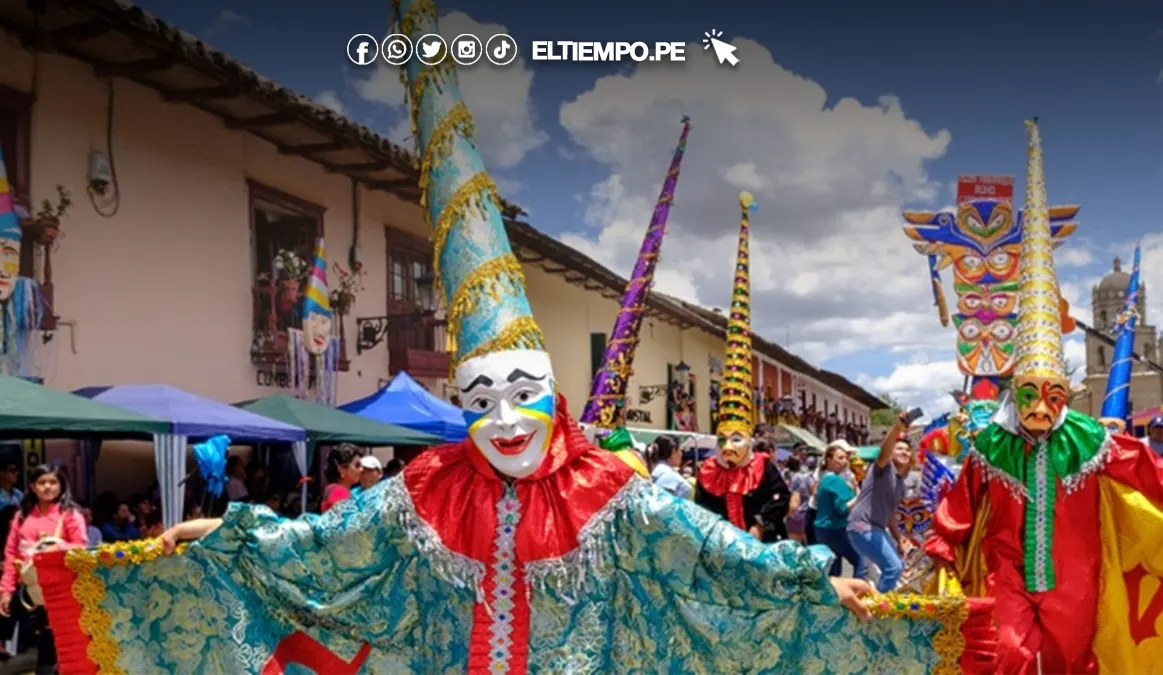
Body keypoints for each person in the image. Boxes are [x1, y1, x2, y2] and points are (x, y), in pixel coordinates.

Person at [33, 20, 998, 673]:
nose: (500, 416)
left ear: (557, 396)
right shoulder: (428, 489)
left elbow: (721, 560)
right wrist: (208, 534)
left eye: (522, 391)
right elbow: (312, 547)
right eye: (480, 395)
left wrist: (824, 579)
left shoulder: (610, 491)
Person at [924, 118, 1163, 675]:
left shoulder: (1091, 439)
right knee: (1008, 654)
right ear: (1015, 390)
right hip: (1008, 577)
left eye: (1052, 394)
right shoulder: (990, 444)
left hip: (1078, 581)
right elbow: (959, 506)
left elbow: (1151, 472)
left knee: (1075, 660)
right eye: (1029, 392)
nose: (1040, 406)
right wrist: (937, 551)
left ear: (1065, 394)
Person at [696, 195, 791, 544]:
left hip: (761, 543)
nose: (728, 447)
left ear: (749, 440)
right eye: (723, 439)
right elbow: (702, 510)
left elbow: (779, 500)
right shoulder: (707, 472)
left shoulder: (763, 466)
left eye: (736, 439)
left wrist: (760, 524)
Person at [0, 464, 86, 675]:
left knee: (59, 647)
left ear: (61, 486)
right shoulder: (22, 517)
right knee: (35, 646)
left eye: (53, 482)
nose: (47, 487)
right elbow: (11, 555)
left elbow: (82, 548)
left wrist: (60, 547)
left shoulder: (70, 515)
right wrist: (5, 590)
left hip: (62, 592)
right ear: (32, 487)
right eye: (42, 482)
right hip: (29, 593)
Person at [847, 421, 914, 593]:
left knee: (898, 568)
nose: (904, 452)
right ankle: (880, 609)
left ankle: (872, 601)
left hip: (877, 529)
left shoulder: (901, 485)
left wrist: (899, 539)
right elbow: (884, 451)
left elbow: (890, 514)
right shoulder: (883, 468)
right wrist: (897, 428)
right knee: (894, 568)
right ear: (891, 453)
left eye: (907, 450)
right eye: (899, 449)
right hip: (862, 526)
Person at [813, 442, 865, 579]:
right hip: (835, 529)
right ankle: (859, 593)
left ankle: (836, 597)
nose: (844, 462)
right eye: (840, 458)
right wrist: (860, 496)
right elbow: (842, 508)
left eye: (846, 458)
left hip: (824, 529)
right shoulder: (834, 480)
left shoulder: (827, 479)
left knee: (834, 569)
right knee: (861, 560)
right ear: (829, 460)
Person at [647, 435, 692, 499]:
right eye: (680, 450)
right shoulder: (678, 481)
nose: (682, 454)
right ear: (673, 451)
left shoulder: (649, 469)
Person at [321, 443, 362, 513]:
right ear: (341, 469)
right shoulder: (340, 492)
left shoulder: (333, 489)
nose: (362, 469)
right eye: (357, 465)